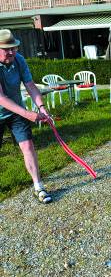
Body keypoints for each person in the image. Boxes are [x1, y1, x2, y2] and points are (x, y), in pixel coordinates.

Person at [0, 29, 52, 204]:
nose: (11, 52)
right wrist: (28, 113)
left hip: (16, 112)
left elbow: (30, 85)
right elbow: (1, 98)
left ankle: (38, 186)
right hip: (9, 109)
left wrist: (42, 108)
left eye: (13, 48)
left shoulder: (19, 60)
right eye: (6, 49)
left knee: (28, 145)